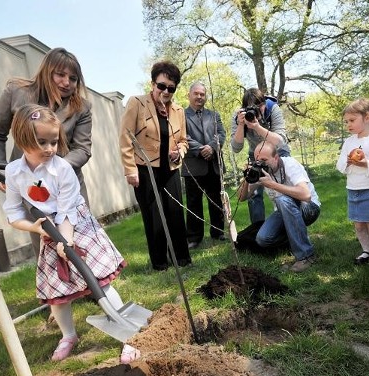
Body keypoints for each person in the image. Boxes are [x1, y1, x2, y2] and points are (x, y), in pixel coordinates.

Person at [3, 104, 139, 364]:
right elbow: (13, 212)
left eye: (53, 142)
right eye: (41, 142)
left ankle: (127, 334)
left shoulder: (62, 169)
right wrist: (34, 227)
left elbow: (66, 210)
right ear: (22, 138)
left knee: (98, 281)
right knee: (56, 290)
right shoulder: (14, 172)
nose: (49, 148)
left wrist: (67, 241)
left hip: (76, 225)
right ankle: (68, 335)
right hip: (48, 231)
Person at [0, 47, 93, 257]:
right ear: (47, 71)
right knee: (46, 242)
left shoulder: (82, 107)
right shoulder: (17, 92)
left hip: (69, 184)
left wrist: (57, 171)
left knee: (79, 242)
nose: (66, 82)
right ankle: (57, 290)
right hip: (31, 187)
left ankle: (94, 289)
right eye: (60, 74)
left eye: (73, 77)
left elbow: (82, 148)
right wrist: (3, 169)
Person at [118, 61, 191, 271]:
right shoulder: (136, 103)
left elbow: (184, 140)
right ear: (152, 84)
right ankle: (160, 263)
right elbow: (125, 138)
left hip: (171, 169)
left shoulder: (178, 111)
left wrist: (181, 152)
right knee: (154, 217)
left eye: (171, 88)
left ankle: (182, 259)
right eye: (161, 85)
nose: (166, 91)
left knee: (175, 213)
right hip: (145, 169)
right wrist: (130, 170)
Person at [238, 141, 320, 273]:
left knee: (282, 200)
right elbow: (242, 197)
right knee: (263, 239)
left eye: (264, 160)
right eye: (257, 160)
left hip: (309, 208)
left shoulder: (290, 164)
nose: (260, 164)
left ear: (276, 157)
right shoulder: (261, 171)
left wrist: (272, 185)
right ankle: (294, 240)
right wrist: (247, 179)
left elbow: (306, 195)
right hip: (283, 211)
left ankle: (306, 255)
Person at [336, 98, 369, 266]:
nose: (348, 125)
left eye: (352, 120)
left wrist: (366, 163)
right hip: (353, 188)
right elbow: (339, 165)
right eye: (346, 122)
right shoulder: (349, 141)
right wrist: (347, 161)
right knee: (359, 224)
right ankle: (366, 250)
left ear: (367, 117)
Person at [231, 88, 291, 224]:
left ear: (264, 103)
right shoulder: (239, 117)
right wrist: (241, 125)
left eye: (259, 106)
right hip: (256, 154)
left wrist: (257, 127)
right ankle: (257, 229)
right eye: (251, 108)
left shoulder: (272, 109)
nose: (256, 111)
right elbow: (236, 148)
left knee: (286, 186)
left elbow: (280, 141)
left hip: (278, 152)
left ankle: (289, 220)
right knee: (254, 192)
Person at [182, 82, 227, 249]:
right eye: (196, 93)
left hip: (214, 165)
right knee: (194, 203)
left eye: (202, 94)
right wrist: (201, 149)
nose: (199, 96)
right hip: (193, 166)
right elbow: (182, 136)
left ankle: (218, 232)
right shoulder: (181, 115)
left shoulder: (214, 115)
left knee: (216, 200)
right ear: (189, 95)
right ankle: (194, 237)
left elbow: (221, 134)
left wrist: (211, 147)